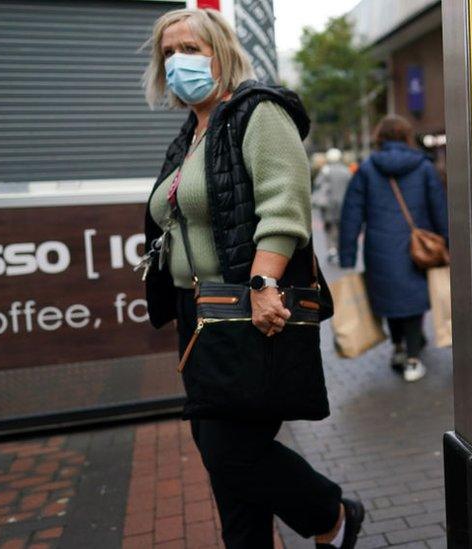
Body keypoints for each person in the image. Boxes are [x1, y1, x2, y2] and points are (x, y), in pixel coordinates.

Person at [140, 8, 363, 548]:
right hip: (199, 315)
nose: (177, 62)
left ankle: (330, 510)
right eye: (167, 53)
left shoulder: (255, 111)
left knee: (228, 449)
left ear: (221, 52)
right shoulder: (190, 133)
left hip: (245, 307)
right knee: (225, 461)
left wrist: (263, 286)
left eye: (190, 48)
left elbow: (284, 207)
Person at [338, 115, 448, 382]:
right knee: (413, 301)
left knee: (389, 300)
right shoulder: (423, 167)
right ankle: (412, 359)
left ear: (380, 138)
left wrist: (347, 255)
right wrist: (448, 244)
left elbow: (351, 214)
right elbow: (439, 209)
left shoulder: (366, 169)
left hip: (379, 249)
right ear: (407, 137)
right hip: (415, 249)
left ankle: (399, 348)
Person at [313, 148, 352, 264]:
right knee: (342, 228)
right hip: (344, 205)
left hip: (329, 206)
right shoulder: (346, 171)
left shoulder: (325, 170)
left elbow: (317, 185)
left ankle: (332, 250)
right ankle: (341, 249)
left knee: (329, 228)